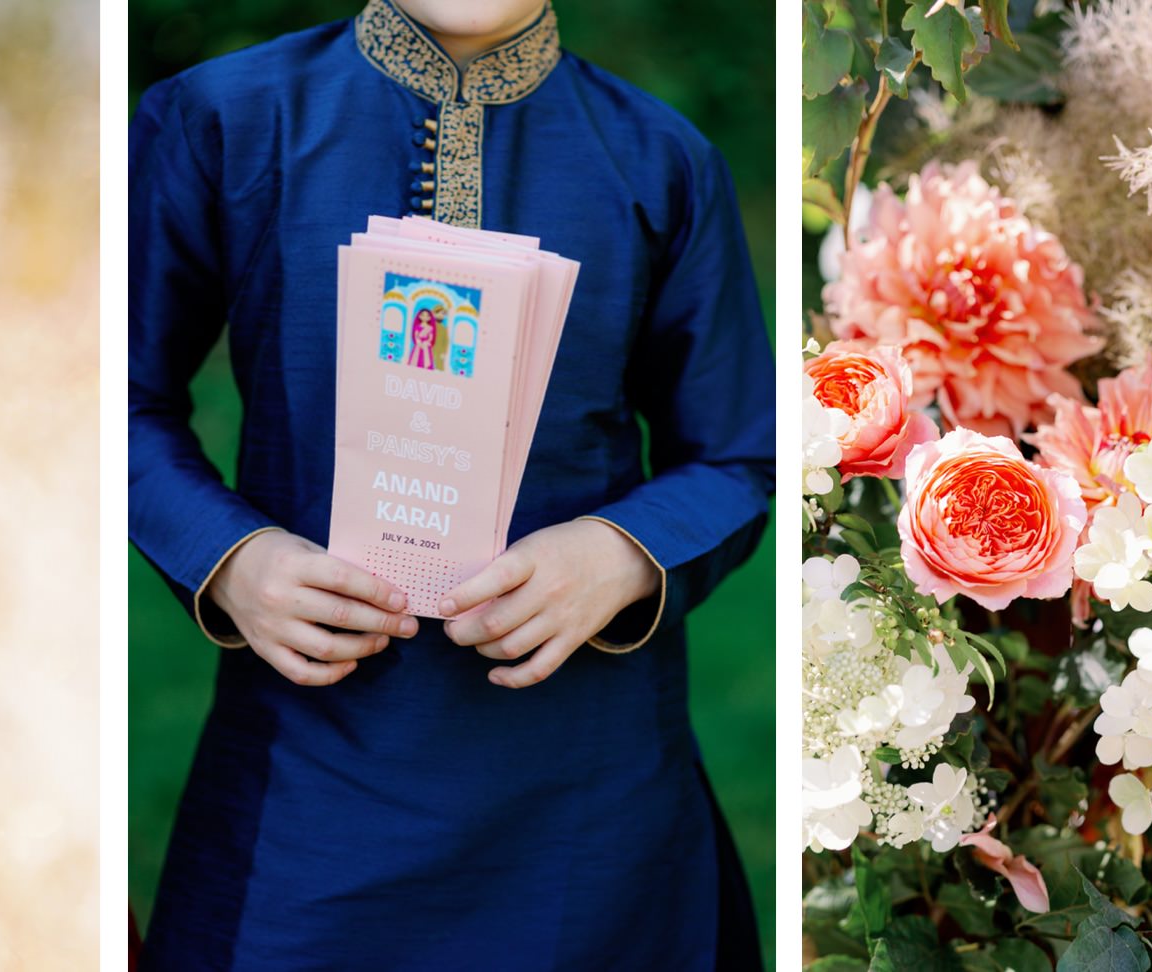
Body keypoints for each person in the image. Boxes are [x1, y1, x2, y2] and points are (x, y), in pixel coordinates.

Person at [130, 0, 774, 967]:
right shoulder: (221, 117)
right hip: (307, 767)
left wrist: (624, 554)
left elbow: (738, 452)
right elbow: (115, 399)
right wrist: (230, 560)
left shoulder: (660, 158)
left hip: (586, 795)